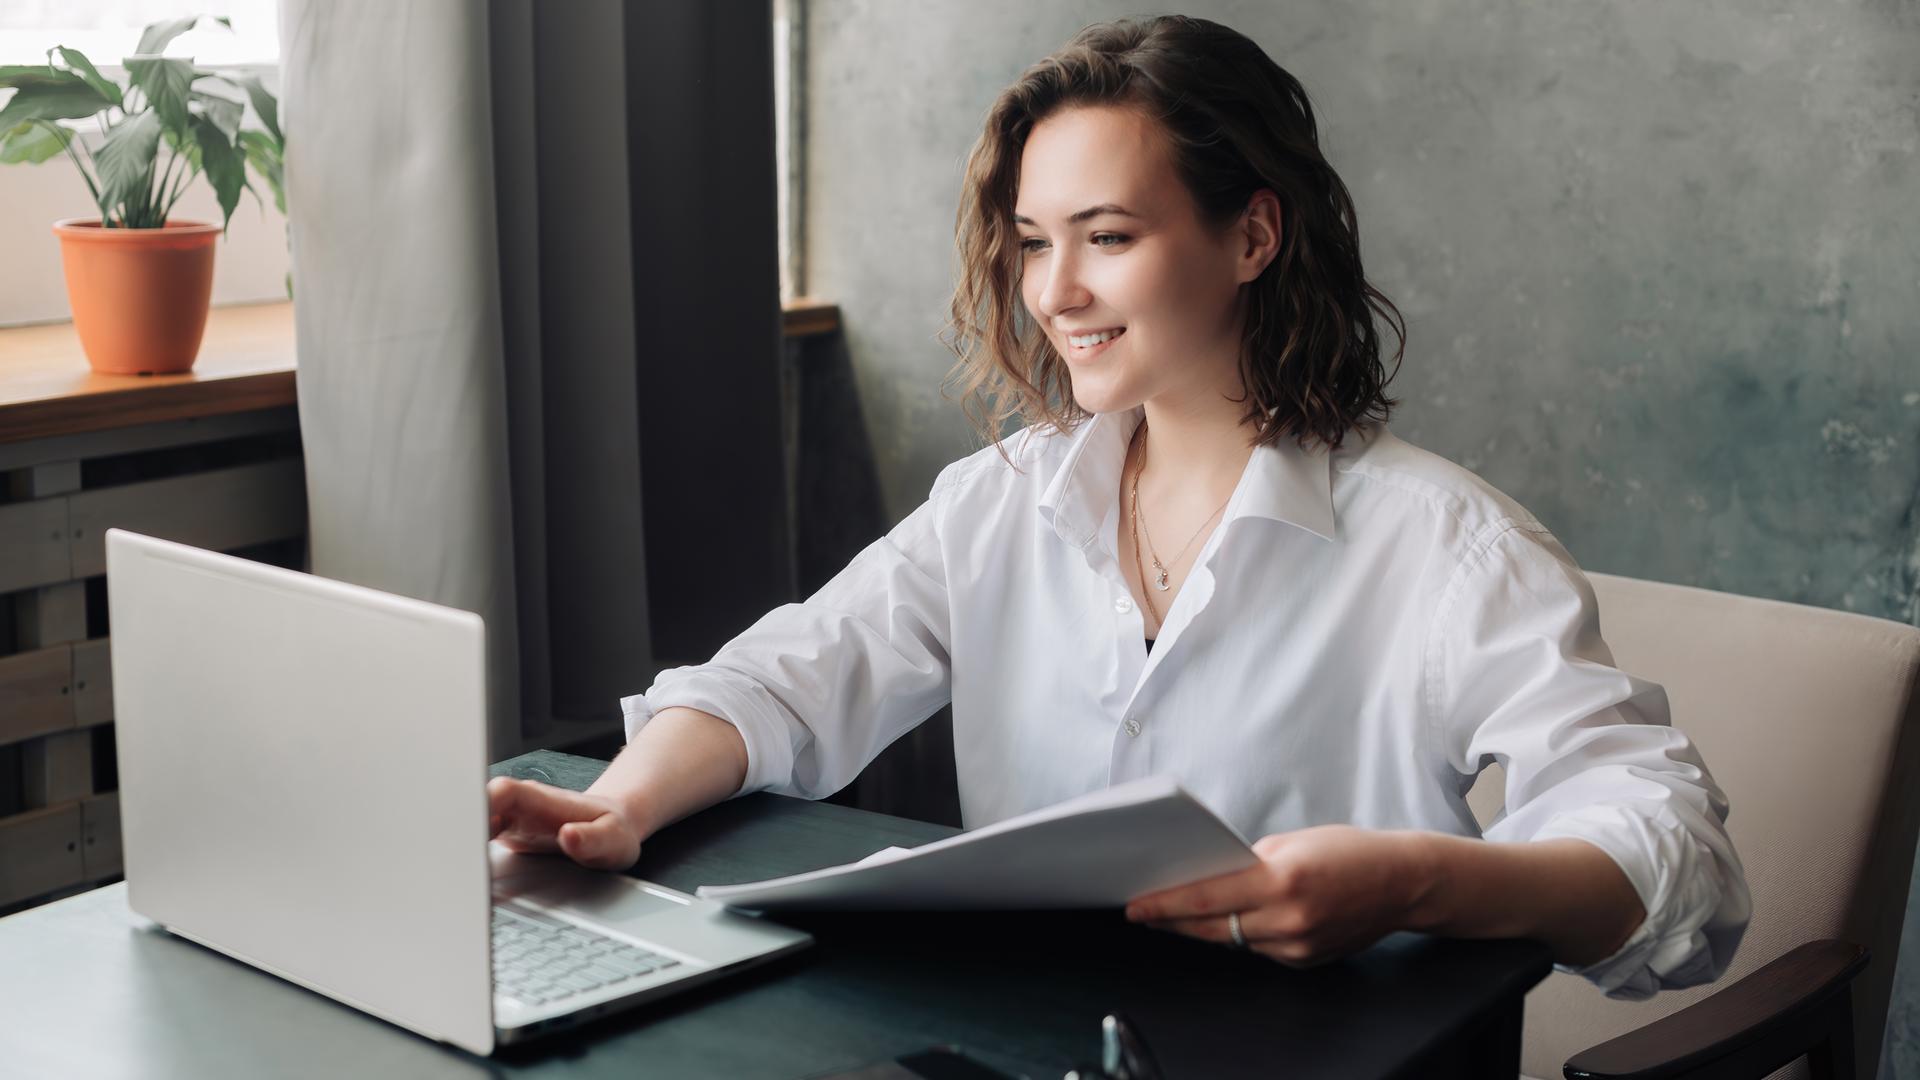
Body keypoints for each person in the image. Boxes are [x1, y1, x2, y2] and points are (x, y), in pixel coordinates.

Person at [488, 14, 1749, 1000]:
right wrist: (622, 802)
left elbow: (1672, 850)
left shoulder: (1449, 549)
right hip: (1036, 1042)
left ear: (1253, 236)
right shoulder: (1003, 504)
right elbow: (789, 676)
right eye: (1033, 242)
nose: (1056, 291)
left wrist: (1421, 879)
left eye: (1107, 236)